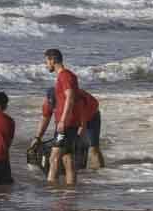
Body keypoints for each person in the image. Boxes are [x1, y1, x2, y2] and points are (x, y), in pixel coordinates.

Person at [33, 86, 105, 170]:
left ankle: (101, 174)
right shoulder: (49, 101)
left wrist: (76, 140)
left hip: (91, 116)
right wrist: (38, 137)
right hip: (70, 118)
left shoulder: (76, 101)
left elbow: (82, 125)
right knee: (62, 147)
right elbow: (45, 118)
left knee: (93, 148)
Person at [44, 48, 85, 185]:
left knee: (54, 158)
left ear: (53, 60)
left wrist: (62, 120)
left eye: (47, 61)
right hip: (71, 123)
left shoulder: (64, 76)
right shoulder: (69, 75)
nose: (46, 65)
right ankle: (70, 192)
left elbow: (70, 98)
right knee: (67, 158)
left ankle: (51, 191)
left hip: (66, 124)